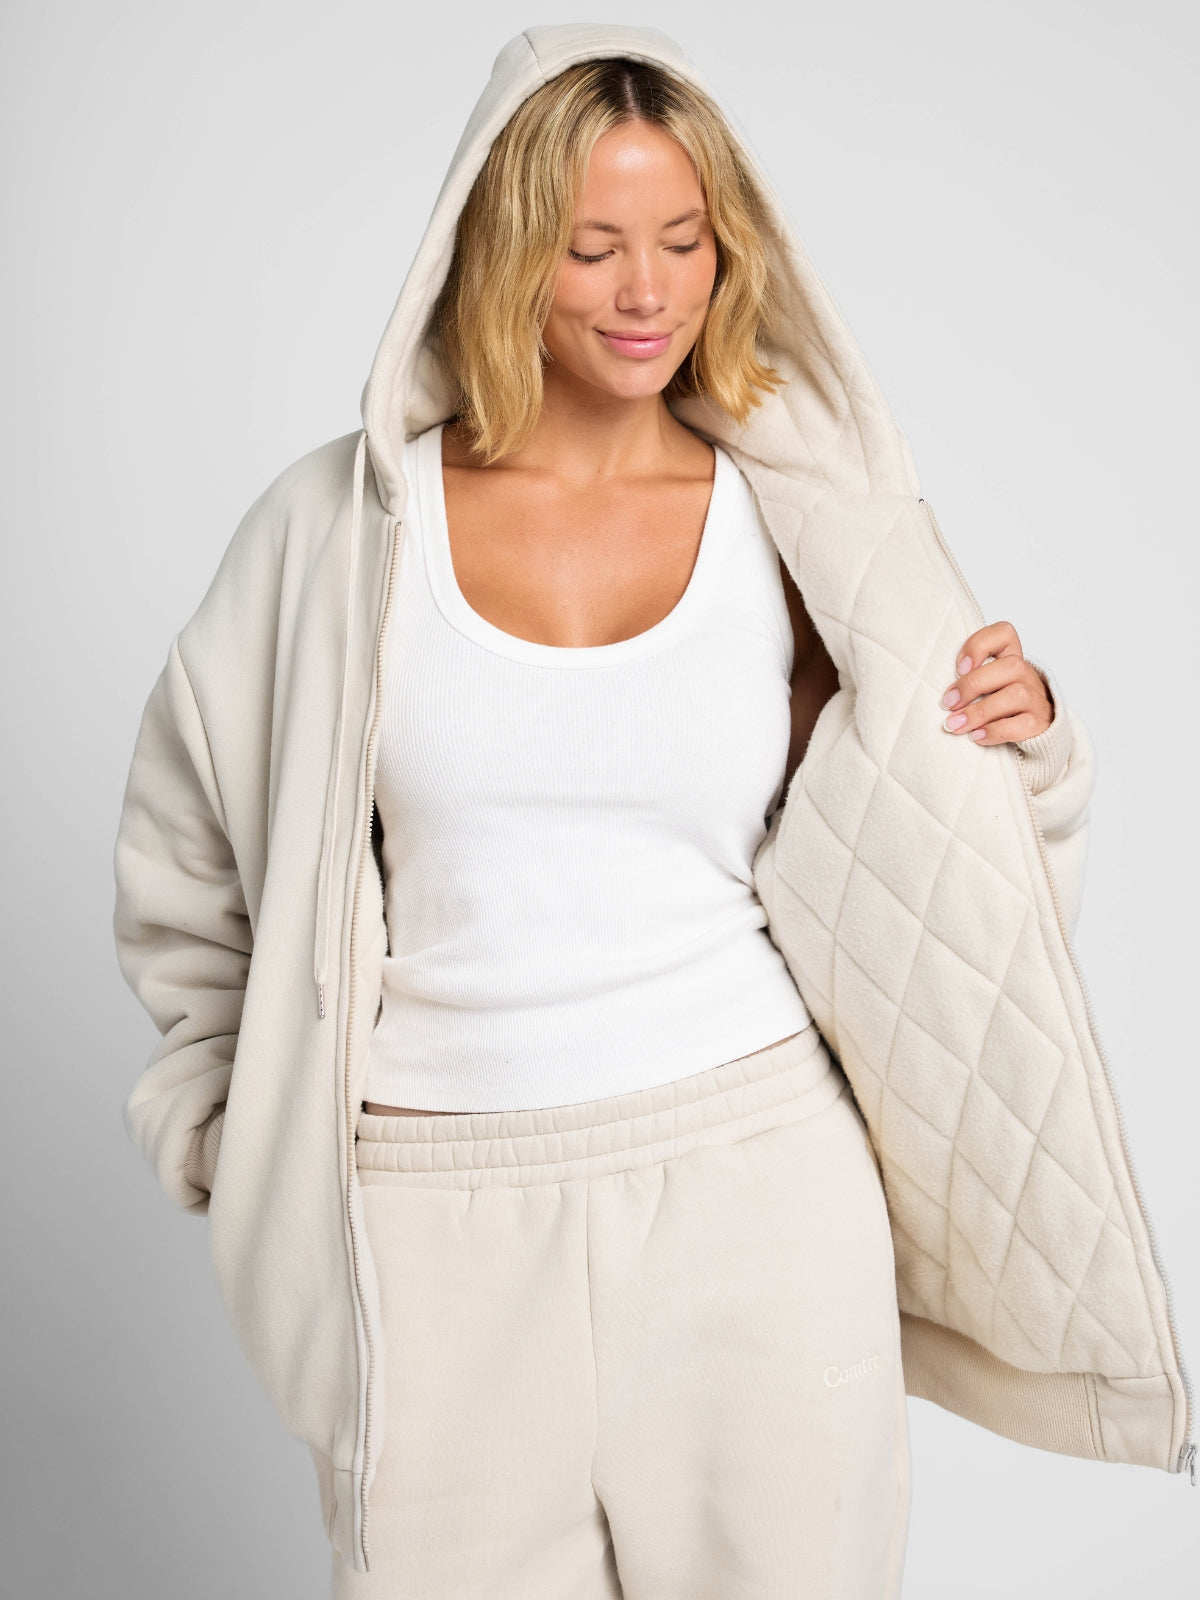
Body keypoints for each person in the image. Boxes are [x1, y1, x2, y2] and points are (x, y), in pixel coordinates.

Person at [112, 23, 1196, 1600]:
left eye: (684, 240)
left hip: (757, 1187)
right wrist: (233, 1126)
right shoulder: (338, 536)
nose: (647, 292)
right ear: (504, 251)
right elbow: (186, 851)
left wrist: (1029, 751)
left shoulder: (805, 530)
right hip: (432, 1224)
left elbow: (924, 868)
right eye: (593, 247)